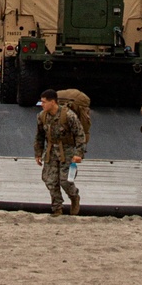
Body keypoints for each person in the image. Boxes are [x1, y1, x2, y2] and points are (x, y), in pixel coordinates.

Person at [34, 88, 86, 216]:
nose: (42, 105)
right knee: (50, 180)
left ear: (53, 102)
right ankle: (57, 208)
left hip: (67, 152)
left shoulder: (68, 116)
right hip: (51, 152)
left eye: (44, 102)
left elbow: (80, 134)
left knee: (65, 180)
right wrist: (38, 153)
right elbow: (39, 136)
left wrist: (78, 154)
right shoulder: (42, 116)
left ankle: (74, 197)